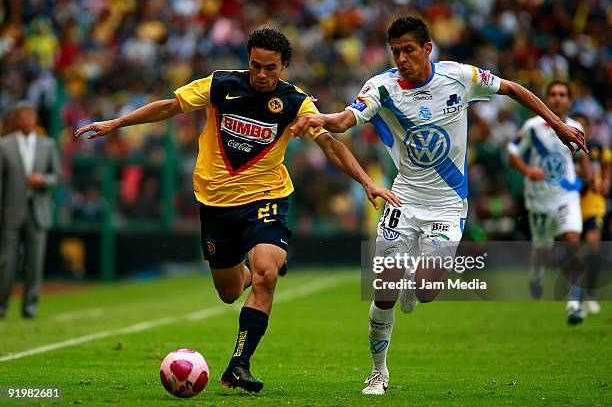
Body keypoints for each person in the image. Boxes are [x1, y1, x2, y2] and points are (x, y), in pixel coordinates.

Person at [75, 27, 400, 393]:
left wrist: (367, 182)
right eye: (256, 66)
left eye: (271, 69)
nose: (262, 75)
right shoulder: (220, 85)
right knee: (230, 292)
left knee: (266, 275)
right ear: (248, 60)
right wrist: (117, 123)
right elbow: (170, 106)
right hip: (215, 203)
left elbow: (328, 144)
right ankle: (261, 266)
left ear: (285, 66)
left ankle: (238, 365)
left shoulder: (295, 103)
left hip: (266, 196)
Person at [291, 16, 586, 395]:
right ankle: (378, 372)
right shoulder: (381, 88)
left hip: (448, 206)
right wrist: (322, 118)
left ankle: (416, 283)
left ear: (427, 48)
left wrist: (557, 123)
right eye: (395, 51)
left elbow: (511, 88)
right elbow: (347, 119)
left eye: (409, 50)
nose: (401, 58)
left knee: (428, 290)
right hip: (404, 198)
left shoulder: (459, 77)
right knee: (384, 290)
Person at [508, 81, 591, 324]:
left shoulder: (576, 126)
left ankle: (575, 303)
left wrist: (591, 175)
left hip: (567, 196)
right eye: (552, 94)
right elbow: (512, 153)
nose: (556, 99)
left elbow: (585, 158)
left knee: (573, 242)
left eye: (562, 95)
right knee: (541, 250)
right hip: (539, 198)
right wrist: (527, 169)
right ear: (546, 98)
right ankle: (536, 275)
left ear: (569, 100)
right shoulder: (532, 126)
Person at [0, 100, 62, 319]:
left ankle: (30, 306)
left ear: (35, 119)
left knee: (35, 263)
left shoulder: (48, 144)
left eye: (30, 116)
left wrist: (43, 179)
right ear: (16, 120)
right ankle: (2, 305)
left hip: (38, 210)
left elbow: (58, 176)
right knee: (6, 262)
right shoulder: (4, 145)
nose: (26, 120)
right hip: (11, 211)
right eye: (22, 116)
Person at [573, 112, 610, 315]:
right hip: (573, 202)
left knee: (593, 246)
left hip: (594, 202)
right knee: (576, 252)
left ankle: (590, 294)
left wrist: (606, 182)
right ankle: (576, 294)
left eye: (583, 124)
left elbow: (606, 166)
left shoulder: (597, 147)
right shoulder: (565, 146)